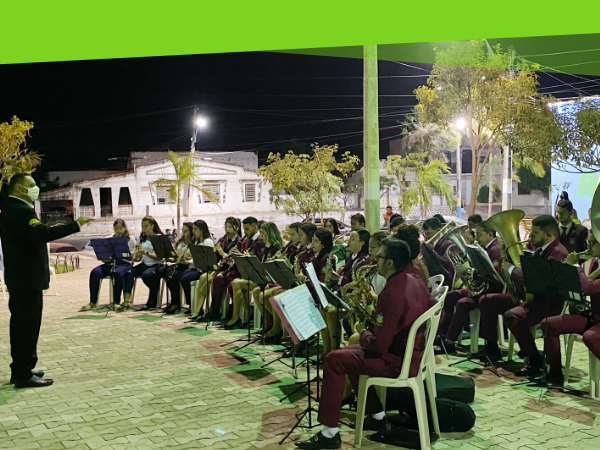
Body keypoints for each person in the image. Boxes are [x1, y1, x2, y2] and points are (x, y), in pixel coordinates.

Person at [295, 238, 436, 450]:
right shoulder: (414, 278)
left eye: (378, 257)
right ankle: (378, 417)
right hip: (410, 353)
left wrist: (363, 333)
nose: (374, 260)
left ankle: (329, 433)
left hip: (397, 361)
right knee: (346, 355)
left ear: (389, 263)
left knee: (334, 360)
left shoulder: (393, 291)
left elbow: (379, 345)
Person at [0, 173, 93, 388]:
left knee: (21, 325)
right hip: (27, 279)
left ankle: (21, 369)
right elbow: (40, 234)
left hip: (19, 278)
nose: (35, 188)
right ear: (19, 189)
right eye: (31, 185)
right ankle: (23, 374)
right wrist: (75, 225)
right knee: (28, 326)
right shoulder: (21, 210)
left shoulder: (11, 209)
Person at [478, 215, 568, 374]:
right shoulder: (541, 250)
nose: (530, 235)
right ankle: (492, 348)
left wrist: (511, 269)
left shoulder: (557, 253)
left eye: (535, 232)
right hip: (533, 299)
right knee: (487, 301)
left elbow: (537, 280)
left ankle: (534, 358)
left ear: (548, 235)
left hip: (547, 303)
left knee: (512, 315)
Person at [539, 232, 600, 386]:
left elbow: (590, 287)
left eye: (593, 243)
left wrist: (575, 266)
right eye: (588, 242)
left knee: (590, 336)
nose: (588, 247)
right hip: (594, 316)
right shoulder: (595, 262)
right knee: (549, 324)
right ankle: (554, 374)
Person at [437, 221, 503, 354]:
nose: (476, 237)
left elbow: (496, 276)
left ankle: (450, 341)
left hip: (490, 290)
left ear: (490, 234)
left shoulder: (496, 249)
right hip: (480, 289)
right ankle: (442, 334)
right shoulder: (483, 248)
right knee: (449, 296)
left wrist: (470, 271)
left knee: (463, 303)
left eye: (479, 234)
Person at [227, 221, 281, 328]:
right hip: (260, 278)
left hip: (269, 281)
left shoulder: (275, 248)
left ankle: (268, 323)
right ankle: (246, 316)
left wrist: (249, 258)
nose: (262, 236)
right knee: (236, 283)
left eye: (264, 234)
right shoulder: (266, 247)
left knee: (238, 283)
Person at [190, 217, 242, 321]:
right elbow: (215, 259)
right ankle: (198, 309)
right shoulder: (222, 240)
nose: (226, 229)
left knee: (216, 279)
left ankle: (214, 309)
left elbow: (235, 261)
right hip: (220, 268)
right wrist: (214, 254)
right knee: (204, 277)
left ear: (236, 228)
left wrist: (223, 253)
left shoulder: (239, 242)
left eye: (229, 227)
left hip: (232, 270)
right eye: (225, 227)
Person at [80, 219, 137, 311]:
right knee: (95, 272)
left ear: (125, 228)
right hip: (110, 263)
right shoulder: (109, 238)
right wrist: (104, 257)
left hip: (124, 264)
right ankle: (93, 302)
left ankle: (116, 302)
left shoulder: (130, 239)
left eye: (120, 228)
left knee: (117, 273)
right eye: (116, 228)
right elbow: (105, 257)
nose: (118, 231)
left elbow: (132, 257)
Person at [220, 216, 265, 328]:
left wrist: (246, 257)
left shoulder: (260, 241)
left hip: (258, 276)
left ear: (255, 227)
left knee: (235, 283)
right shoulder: (246, 241)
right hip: (247, 274)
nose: (245, 232)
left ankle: (238, 317)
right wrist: (235, 256)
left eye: (247, 229)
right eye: (244, 229)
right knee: (234, 283)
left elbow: (260, 261)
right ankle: (244, 314)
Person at [120, 216, 164, 311]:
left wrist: (145, 253)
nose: (143, 229)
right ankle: (127, 301)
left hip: (156, 264)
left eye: (146, 226)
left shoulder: (159, 238)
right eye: (142, 226)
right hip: (145, 264)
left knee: (147, 275)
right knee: (128, 273)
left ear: (152, 226)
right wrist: (134, 256)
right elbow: (139, 258)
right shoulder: (142, 238)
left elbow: (160, 257)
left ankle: (152, 300)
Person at [422, 217, 454, 288]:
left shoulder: (448, 244)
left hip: (444, 282)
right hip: (433, 279)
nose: (426, 237)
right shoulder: (430, 243)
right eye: (424, 234)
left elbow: (446, 264)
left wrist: (432, 251)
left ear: (438, 230)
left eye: (428, 233)